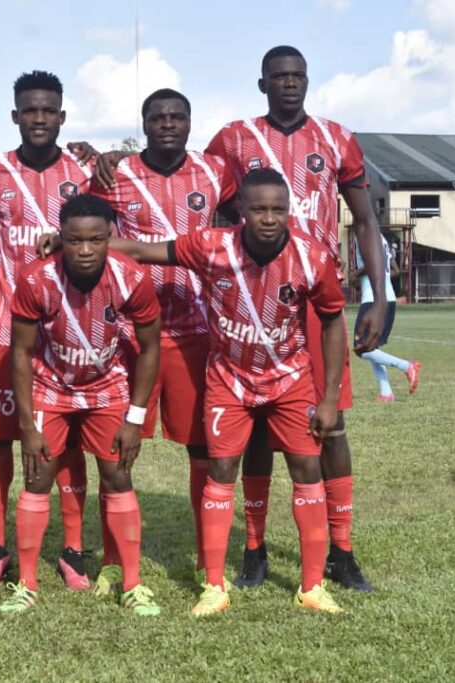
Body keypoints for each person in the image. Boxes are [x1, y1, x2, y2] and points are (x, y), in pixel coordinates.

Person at [115, 168, 348, 615]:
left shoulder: (311, 256)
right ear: (240, 210)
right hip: (229, 378)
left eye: (278, 209)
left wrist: (330, 397)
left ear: (288, 211)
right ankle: (215, 586)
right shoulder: (212, 246)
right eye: (258, 209)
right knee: (221, 469)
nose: (268, 218)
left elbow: (333, 320)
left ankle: (312, 586)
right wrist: (88, 244)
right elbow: (148, 251)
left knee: (305, 467)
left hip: (290, 377)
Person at [203, 45, 386, 591]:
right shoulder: (232, 138)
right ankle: (255, 547)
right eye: (278, 77)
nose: (289, 84)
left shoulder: (336, 137)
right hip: (255, 296)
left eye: (297, 76)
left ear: (308, 81)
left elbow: (366, 219)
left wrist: (378, 297)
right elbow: (198, 191)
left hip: (317, 302)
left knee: (331, 425)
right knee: (255, 422)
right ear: (262, 84)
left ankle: (342, 550)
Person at [87, 88, 237, 591]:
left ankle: (205, 555)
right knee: (117, 449)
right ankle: (112, 558)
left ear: (191, 122)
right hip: (130, 332)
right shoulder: (118, 174)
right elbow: (85, 226)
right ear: (144, 123)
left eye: (177, 117)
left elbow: (246, 224)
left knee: (202, 450)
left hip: (197, 330)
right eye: (158, 117)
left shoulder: (216, 171)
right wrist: (99, 159)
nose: (168, 124)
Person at [0, 194, 162, 615]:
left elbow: (149, 349)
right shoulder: (36, 279)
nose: (85, 250)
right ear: (60, 238)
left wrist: (135, 417)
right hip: (50, 387)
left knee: (118, 478)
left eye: (95, 240)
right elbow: (20, 352)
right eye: (74, 241)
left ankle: (132, 583)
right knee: (37, 479)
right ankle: (27, 584)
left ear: (110, 237)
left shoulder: (131, 278)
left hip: (107, 387)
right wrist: (27, 426)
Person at [0, 70, 94, 589]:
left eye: (48, 110)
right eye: (29, 110)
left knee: (69, 440)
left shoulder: (84, 170)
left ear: (62, 116)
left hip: (68, 334)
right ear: (15, 115)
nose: (39, 118)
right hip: (4, 329)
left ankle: (75, 547)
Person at [350, 233, 420, 401]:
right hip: (386, 298)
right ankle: (386, 393)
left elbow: (376, 263)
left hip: (374, 299)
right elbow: (391, 269)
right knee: (371, 347)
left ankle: (406, 366)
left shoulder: (365, 235)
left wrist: (355, 275)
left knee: (362, 348)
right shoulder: (381, 238)